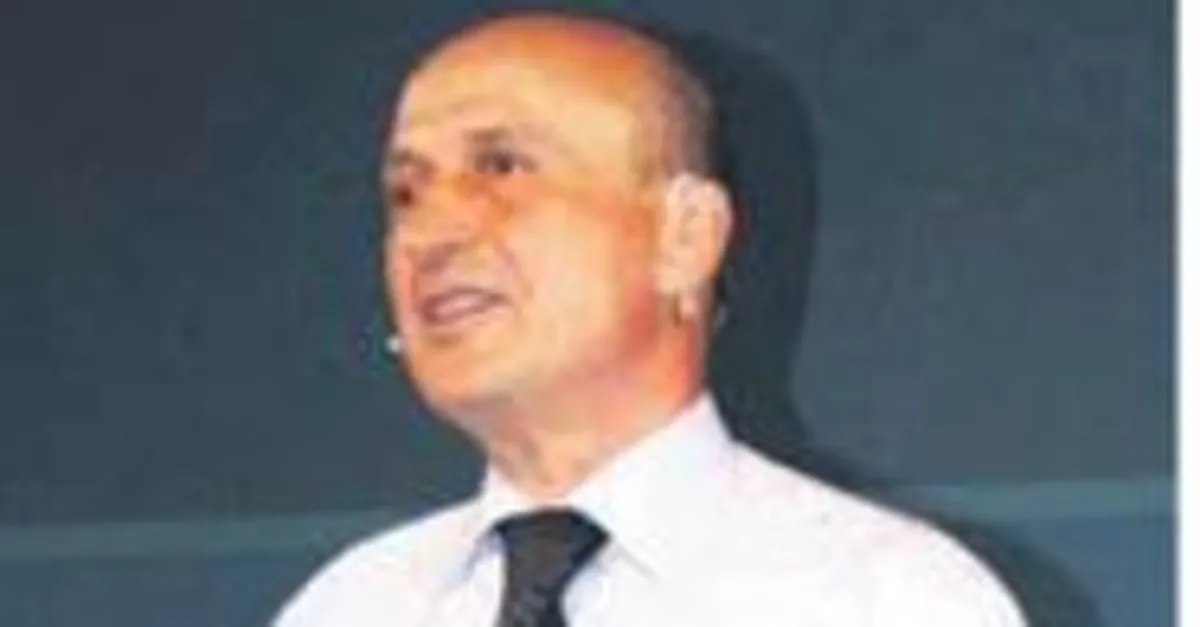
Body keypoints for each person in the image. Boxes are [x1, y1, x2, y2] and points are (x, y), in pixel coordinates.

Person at [274, 11, 1026, 627]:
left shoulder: (889, 601)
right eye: (406, 195)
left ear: (685, 237)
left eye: (502, 167)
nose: (430, 234)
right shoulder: (349, 607)